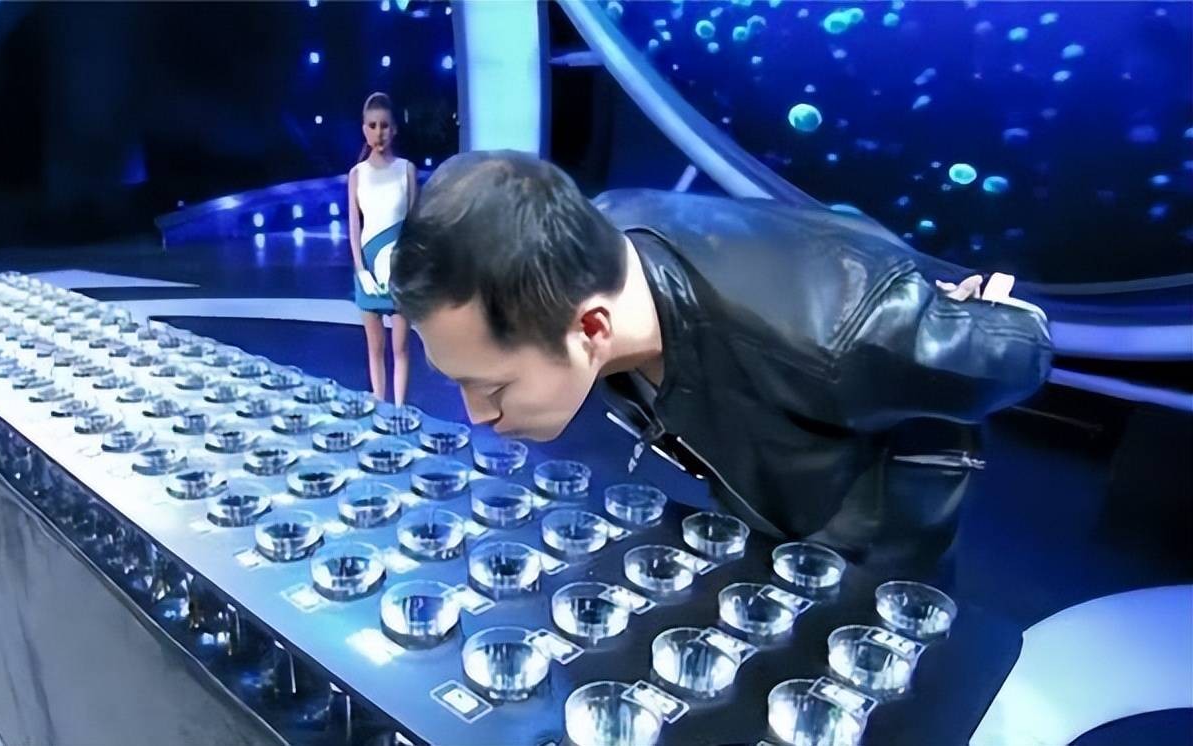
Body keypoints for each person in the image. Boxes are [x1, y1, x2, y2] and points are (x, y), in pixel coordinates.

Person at [391, 150, 1053, 571]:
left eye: (492, 386)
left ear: (592, 328)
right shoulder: (591, 249)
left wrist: (994, 317)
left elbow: (1018, 353)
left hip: (865, 543)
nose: (476, 416)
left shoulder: (847, 340)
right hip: (759, 491)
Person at [348, 92, 417, 405]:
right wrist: (361, 270)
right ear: (364, 129)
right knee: (374, 349)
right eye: (373, 126)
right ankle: (380, 407)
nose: (379, 133)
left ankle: (399, 411)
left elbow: (414, 227)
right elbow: (354, 228)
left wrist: (408, 266)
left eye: (385, 126)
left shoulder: (406, 170)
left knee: (400, 348)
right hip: (367, 269)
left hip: (400, 270)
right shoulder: (357, 174)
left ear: (394, 129)